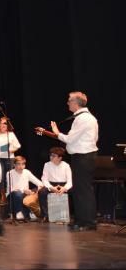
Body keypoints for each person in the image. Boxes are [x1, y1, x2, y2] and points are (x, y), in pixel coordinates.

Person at [45, 91, 98, 232]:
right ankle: (81, 220)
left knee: (83, 190)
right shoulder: (85, 118)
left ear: (76, 102)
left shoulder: (84, 119)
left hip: (84, 157)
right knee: (80, 189)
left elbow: (69, 139)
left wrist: (56, 133)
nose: (67, 103)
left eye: (69, 100)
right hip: (83, 156)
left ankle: (88, 222)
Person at [38, 147, 72, 221]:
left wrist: (64, 188)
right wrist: (51, 187)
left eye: (54, 156)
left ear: (60, 158)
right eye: (51, 155)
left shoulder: (66, 165)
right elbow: (44, 179)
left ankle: (72, 214)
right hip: (52, 185)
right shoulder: (47, 165)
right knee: (42, 192)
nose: (51, 157)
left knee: (75, 192)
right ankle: (45, 215)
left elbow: (70, 181)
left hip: (63, 185)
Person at [6, 155, 43, 221]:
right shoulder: (10, 173)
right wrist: (24, 190)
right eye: (18, 164)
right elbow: (11, 188)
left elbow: (39, 183)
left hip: (25, 194)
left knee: (40, 190)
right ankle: (19, 212)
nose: (21, 166)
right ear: (14, 164)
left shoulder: (27, 172)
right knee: (18, 193)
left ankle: (31, 212)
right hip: (13, 195)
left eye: (23, 164)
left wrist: (37, 189)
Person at [0, 116, 21, 194]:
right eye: (2, 123)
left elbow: (18, 145)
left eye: (5, 123)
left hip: (9, 158)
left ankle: (10, 194)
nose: (3, 125)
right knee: (1, 177)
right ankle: (2, 195)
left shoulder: (11, 134)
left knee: (10, 177)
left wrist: (11, 150)